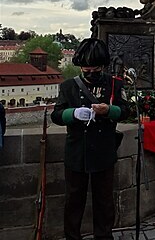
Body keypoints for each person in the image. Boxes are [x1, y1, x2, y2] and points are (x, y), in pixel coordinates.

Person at [51, 38, 129, 240]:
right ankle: (72, 237)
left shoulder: (114, 85)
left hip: (103, 151)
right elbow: (56, 115)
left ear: (102, 67)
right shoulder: (68, 86)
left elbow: (125, 112)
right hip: (77, 152)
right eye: (86, 71)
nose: (91, 74)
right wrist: (74, 113)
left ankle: (104, 237)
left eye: (95, 70)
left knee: (104, 201)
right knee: (74, 201)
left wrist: (109, 110)